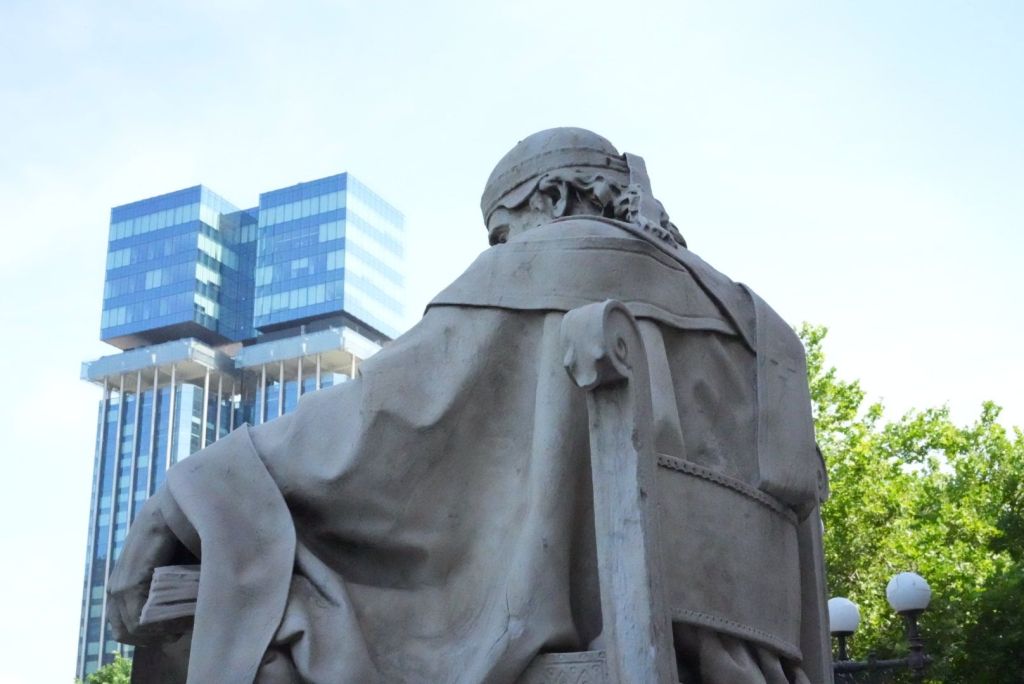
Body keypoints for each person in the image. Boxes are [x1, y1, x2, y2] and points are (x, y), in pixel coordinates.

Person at [109, 128, 830, 683]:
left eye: (502, 230)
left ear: (552, 199)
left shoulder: (552, 263)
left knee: (263, 621)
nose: (499, 250)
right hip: (752, 665)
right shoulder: (760, 334)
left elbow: (375, 426)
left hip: (583, 648)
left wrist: (192, 492)